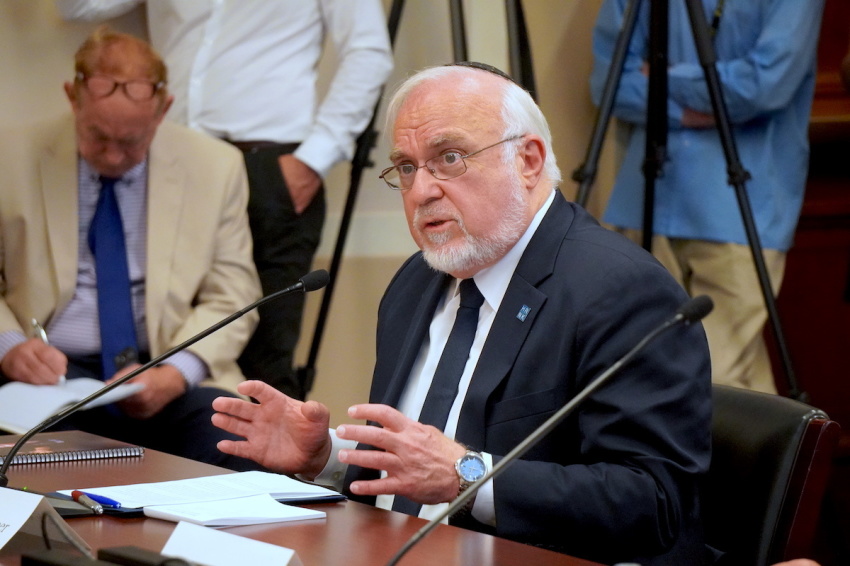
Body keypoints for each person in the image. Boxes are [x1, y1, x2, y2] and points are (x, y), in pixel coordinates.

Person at [211, 63, 713, 565]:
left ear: (528, 160)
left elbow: (654, 501)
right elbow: (417, 470)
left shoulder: (620, 289)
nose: (422, 190)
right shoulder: (416, 281)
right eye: (406, 168)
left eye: (449, 158)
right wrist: (328, 456)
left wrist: (468, 476)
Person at [56, 0, 395, 400]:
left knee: (263, 372)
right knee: (161, 354)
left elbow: (368, 51)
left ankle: (272, 465)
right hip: (164, 165)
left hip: (270, 169)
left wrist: (313, 160)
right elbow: (77, 7)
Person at [0, 27, 262, 471]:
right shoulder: (10, 155)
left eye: (131, 141)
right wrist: (9, 346)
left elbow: (234, 294)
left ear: (163, 112)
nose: (114, 155)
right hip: (46, 376)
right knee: (45, 461)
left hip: (158, 371)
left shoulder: (216, 167)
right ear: (73, 98)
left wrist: (177, 372)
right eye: (98, 136)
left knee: (238, 445)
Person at [589, 0, 825, 394]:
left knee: (714, 384)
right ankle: (775, 456)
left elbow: (765, 86)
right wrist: (704, 104)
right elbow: (610, 84)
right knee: (654, 378)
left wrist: (663, 78)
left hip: (739, 207)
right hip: (645, 198)